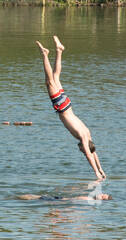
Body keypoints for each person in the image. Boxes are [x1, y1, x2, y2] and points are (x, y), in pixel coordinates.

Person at [37, 35, 107, 181]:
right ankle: (45, 54)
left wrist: (101, 169)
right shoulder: (82, 137)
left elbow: (94, 152)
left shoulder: (88, 134)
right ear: (85, 146)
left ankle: (60, 50)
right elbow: (90, 154)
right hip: (62, 108)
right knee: (49, 81)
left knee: (56, 77)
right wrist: (96, 172)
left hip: (68, 105)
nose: (81, 150)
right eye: (82, 150)